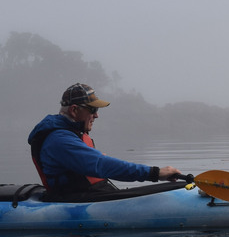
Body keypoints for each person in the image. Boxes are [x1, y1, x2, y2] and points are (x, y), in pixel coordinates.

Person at [28, 83, 182, 199]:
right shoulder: (59, 141)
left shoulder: (68, 134)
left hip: (90, 195)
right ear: (74, 110)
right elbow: (102, 165)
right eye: (92, 109)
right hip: (74, 201)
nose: (96, 115)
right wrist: (155, 173)